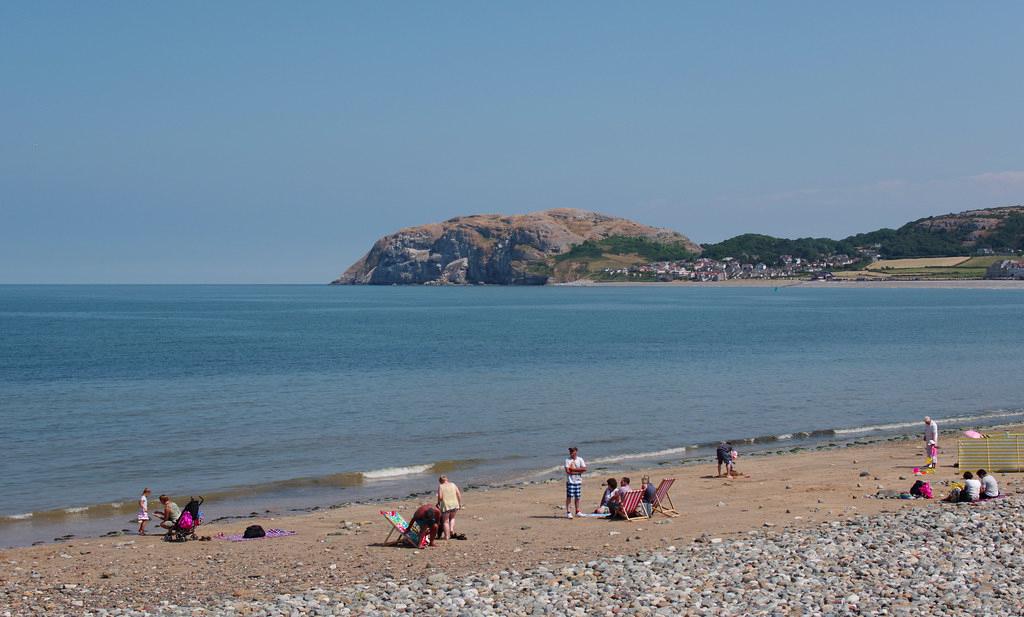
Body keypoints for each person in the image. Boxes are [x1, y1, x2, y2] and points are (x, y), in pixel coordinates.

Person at [435, 476, 463, 540]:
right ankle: (451, 529)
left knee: (445, 521)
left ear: (440, 481)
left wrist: (438, 503)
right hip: (455, 504)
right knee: (452, 518)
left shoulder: (441, 486)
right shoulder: (453, 484)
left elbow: (440, 497)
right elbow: (458, 494)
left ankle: (447, 536)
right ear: (447, 479)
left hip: (446, 505)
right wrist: (459, 503)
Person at [564, 447, 587, 519]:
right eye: (570, 452)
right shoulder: (567, 460)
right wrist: (579, 470)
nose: (571, 453)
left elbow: (584, 469)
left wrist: (573, 469)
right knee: (569, 496)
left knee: (577, 497)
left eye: (572, 452)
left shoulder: (580, 459)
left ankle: (577, 511)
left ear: (576, 452)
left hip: (578, 480)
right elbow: (567, 471)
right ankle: (568, 512)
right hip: (570, 481)